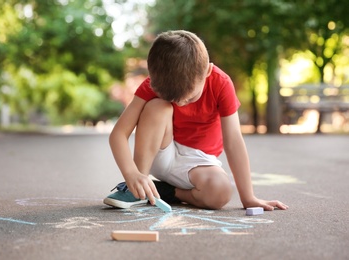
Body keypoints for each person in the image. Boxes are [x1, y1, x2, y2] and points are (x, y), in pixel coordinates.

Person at [104, 30, 288, 211]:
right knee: (158, 107)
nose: (181, 104)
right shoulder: (157, 81)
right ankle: (137, 189)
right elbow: (118, 134)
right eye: (173, 98)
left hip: (197, 161)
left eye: (189, 98)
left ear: (207, 71)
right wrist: (132, 174)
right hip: (159, 150)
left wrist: (248, 197)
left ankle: (165, 191)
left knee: (221, 191)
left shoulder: (221, 83)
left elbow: (233, 141)